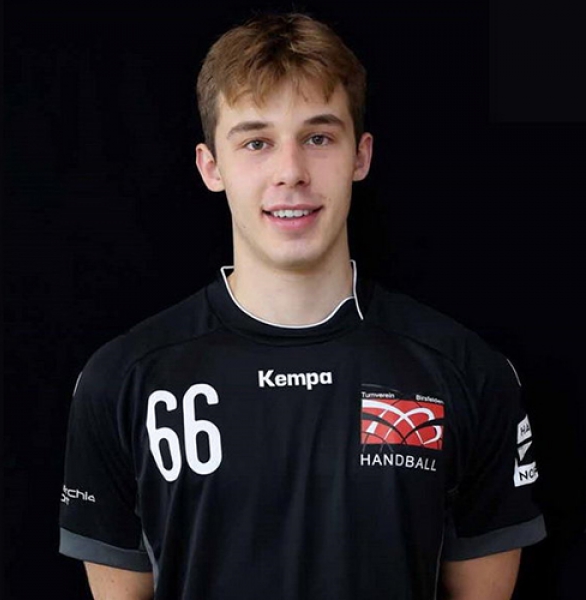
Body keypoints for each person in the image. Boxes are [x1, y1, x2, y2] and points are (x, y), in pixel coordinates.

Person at [59, 12, 546, 600]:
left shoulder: (467, 373)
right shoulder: (123, 380)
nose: (290, 172)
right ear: (211, 166)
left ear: (360, 156)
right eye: (256, 142)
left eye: (318, 138)